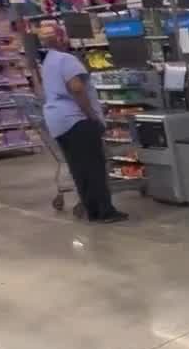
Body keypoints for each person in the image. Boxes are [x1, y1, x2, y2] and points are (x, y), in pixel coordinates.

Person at [39, 21, 128, 223]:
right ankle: (105, 212)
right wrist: (90, 114)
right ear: (61, 38)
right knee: (94, 166)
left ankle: (92, 210)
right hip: (76, 120)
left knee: (79, 168)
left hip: (57, 122)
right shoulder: (67, 59)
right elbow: (77, 88)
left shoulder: (48, 61)